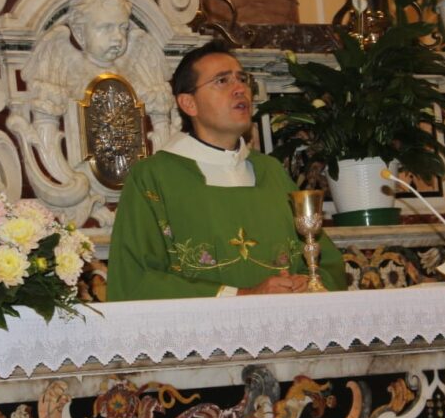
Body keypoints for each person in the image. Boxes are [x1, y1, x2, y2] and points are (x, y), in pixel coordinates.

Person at [107, 40, 346, 301]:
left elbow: (326, 263)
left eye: (242, 79)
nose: (240, 89)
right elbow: (136, 279)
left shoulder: (271, 171)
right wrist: (242, 295)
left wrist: (306, 283)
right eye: (222, 81)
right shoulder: (153, 178)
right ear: (189, 103)